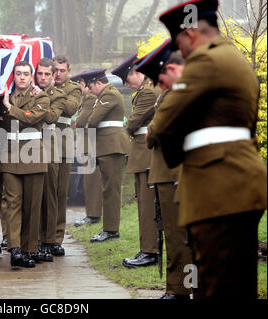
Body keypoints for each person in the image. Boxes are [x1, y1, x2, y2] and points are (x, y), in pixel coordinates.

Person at [155, 0, 267, 298]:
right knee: (238, 283)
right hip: (241, 183)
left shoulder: (206, 61)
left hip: (217, 187)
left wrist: (178, 155)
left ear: (190, 35)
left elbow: (164, 123)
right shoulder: (235, 59)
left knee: (216, 284)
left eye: (179, 43)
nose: (182, 54)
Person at [137, 40, 193, 299]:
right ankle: (181, 287)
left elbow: (153, 133)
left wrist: (151, 131)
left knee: (177, 236)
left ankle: (180, 289)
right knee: (176, 235)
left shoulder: (176, 94)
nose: (155, 83)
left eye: (157, 77)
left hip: (173, 173)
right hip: (169, 173)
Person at [1, 60, 50, 268]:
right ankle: (16, 249)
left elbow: (30, 118)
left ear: (31, 76)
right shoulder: (4, 96)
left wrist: (9, 107)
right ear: (14, 76)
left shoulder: (42, 97)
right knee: (13, 204)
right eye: (18, 73)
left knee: (32, 206)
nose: (22, 77)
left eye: (26, 73)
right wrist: (3, 102)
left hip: (33, 155)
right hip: (11, 154)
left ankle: (30, 249)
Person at [112, 54, 160, 268]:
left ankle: (150, 251)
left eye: (128, 80)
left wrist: (129, 125)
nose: (127, 85)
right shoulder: (145, 90)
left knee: (147, 206)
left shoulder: (148, 92)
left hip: (146, 154)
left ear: (137, 72)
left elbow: (132, 124)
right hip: (143, 153)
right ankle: (147, 249)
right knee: (144, 205)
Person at [83, 69, 130, 243]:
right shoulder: (103, 95)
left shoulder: (108, 94)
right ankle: (109, 229)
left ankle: (110, 230)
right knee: (108, 189)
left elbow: (93, 121)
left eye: (90, 86)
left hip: (112, 147)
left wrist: (90, 121)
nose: (90, 90)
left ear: (98, 83)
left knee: (111, 190)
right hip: (107, 147)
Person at [35, 58, 67, 262]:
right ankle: (31, 240)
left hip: (47, 146)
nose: (43, 77)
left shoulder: (59, 95)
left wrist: (38, 100)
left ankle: (47, 240)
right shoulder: (26, 91)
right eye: (40, 73)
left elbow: (51, 117)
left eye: (48, 74)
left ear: (53, 75)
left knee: (49, 195)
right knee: (31, 197)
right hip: (26, 146)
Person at [51, 55, 82, 256]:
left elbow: (70, 109)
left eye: (62, 70)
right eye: (55, 70)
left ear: (68, 70)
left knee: (60, 193)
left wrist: (52, 90)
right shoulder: (42, 84)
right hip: (41, 143)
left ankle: (56, 238)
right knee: (42, 193)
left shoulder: (74, 88)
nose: (58, 74)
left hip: (62, 143)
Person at [72, 72, 103, 228]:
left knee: (91, 182)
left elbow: (82, 120)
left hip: (89, 143)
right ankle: (91, 213)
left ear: (82, 84)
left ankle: (93, 214)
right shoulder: (88, 98)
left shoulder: (90, 98)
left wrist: (76, 122)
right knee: (89, 182)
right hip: (88, 142)